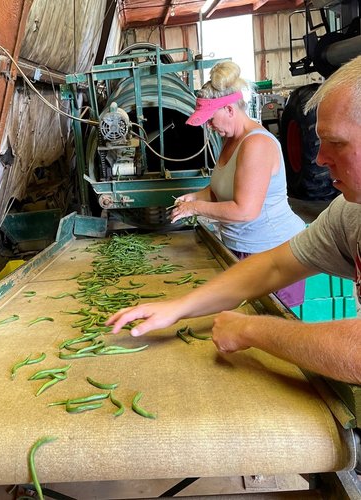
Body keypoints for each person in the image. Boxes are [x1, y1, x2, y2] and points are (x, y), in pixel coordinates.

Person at [107, 55, 361, 385]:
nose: (319, 158)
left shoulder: (257, 144)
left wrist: (250, 328)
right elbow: (275, 266)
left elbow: (355, 353)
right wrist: (177, 307)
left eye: (337, 143)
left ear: (229, 108)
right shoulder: (347, 213)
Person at [171, 61, 306, 308]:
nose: (209, 126)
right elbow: (220, 189)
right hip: (243, 248)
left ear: (230, 110)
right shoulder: (230, 139)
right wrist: (196, 197)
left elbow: (245, 210)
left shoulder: (256, 145)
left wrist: (195, 210)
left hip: (272, 253)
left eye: (211, 119)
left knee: (272, 326)